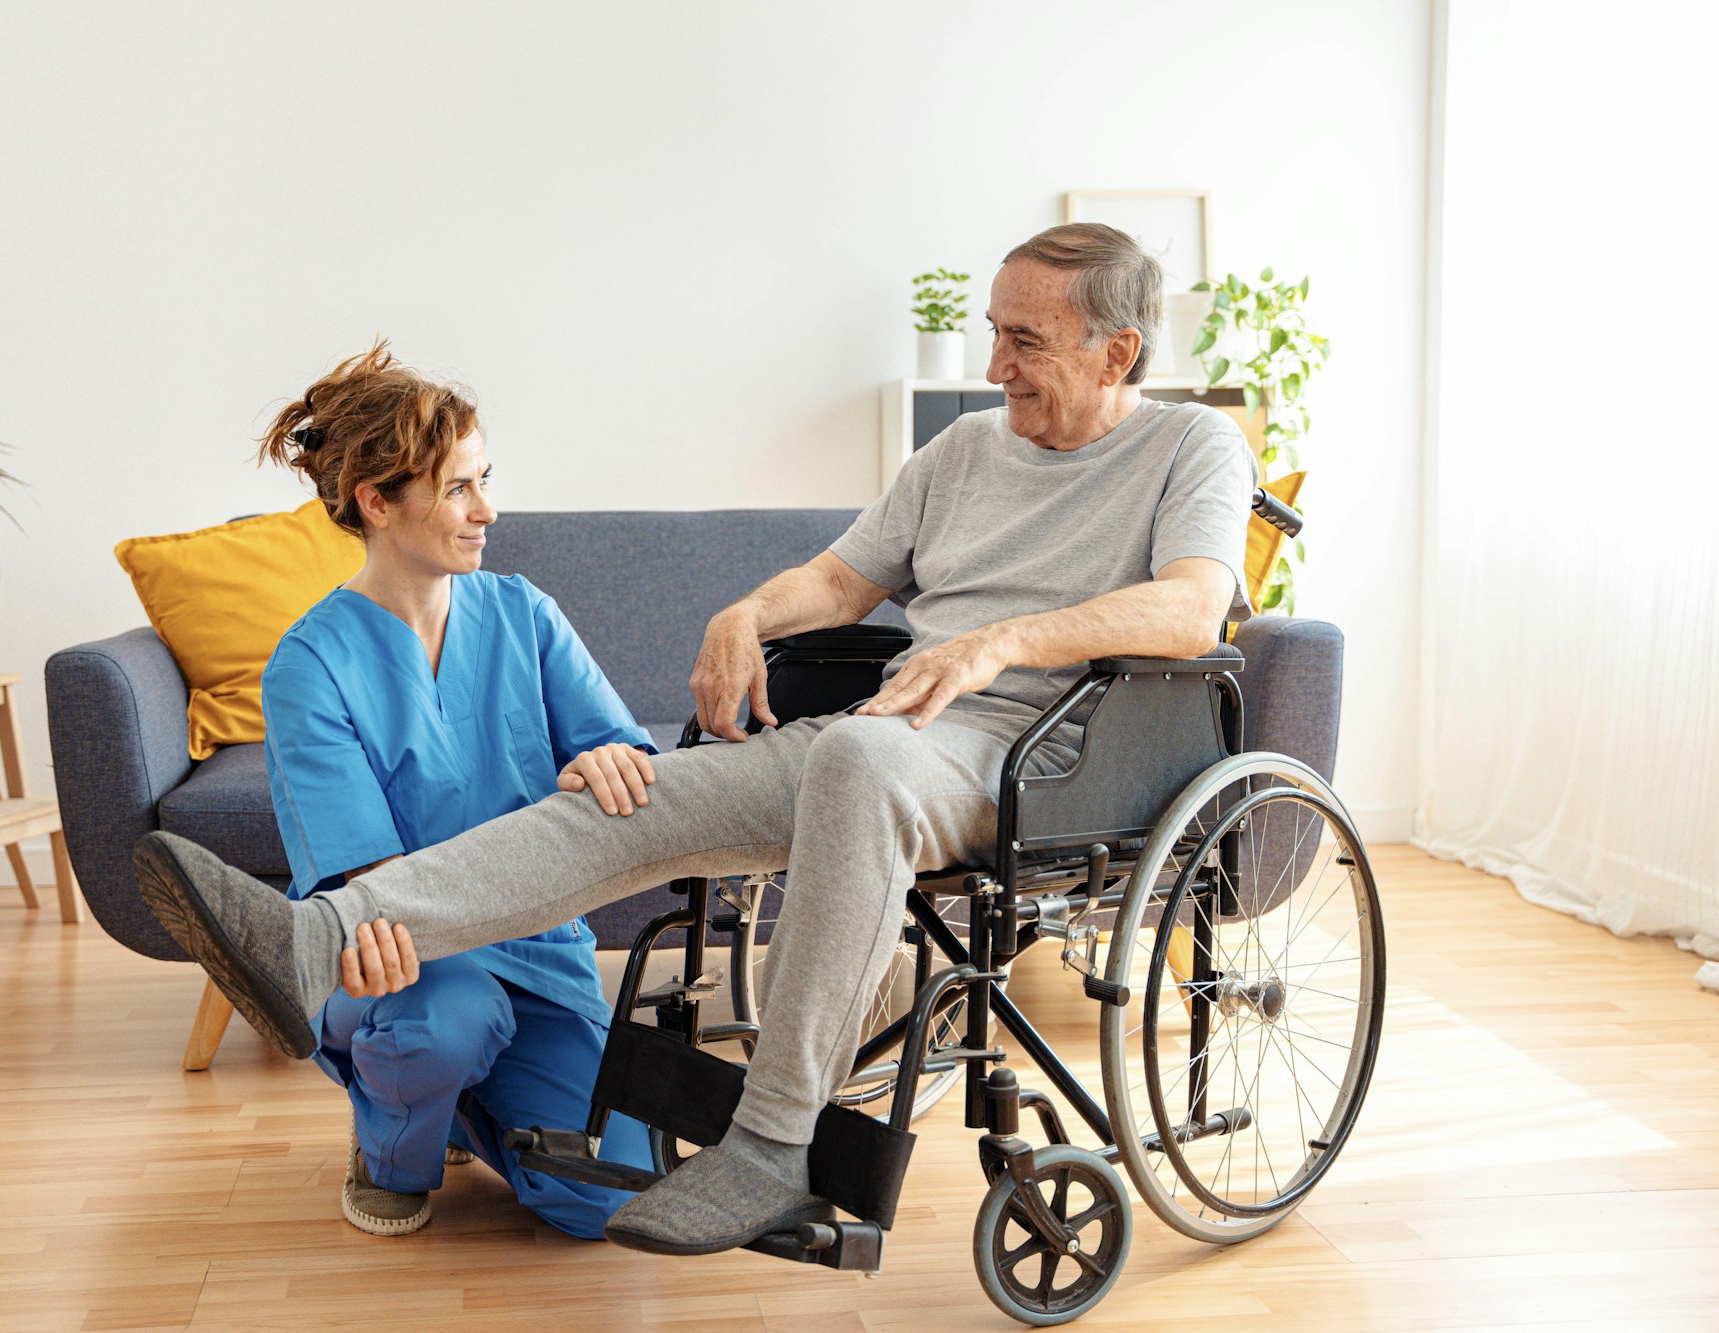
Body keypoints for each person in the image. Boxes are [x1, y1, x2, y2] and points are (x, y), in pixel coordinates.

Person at [135, 222, 1256, 1257]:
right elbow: (838, 577)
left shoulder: (1189, 447)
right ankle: (314, 937)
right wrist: (747, 614)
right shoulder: (961, 452)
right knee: (644, 792)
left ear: (1116, 353)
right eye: (992, 332)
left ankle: (770, 1142)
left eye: (1025, 339)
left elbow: (1190, 609)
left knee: (849, 761)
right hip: (884, 735)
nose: (995, 361)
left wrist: (1001, 642)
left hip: (1039, 753)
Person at [250, 342, 655, 1240]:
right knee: (447, 1018)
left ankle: (470, 1105)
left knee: (613, 1196)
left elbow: (621, 751)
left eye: (485, 480)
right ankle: (396, 1150)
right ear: (377, 502)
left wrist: (605, 765)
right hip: (399, 959)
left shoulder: (524, 612)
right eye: (461, 487)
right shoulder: (310, 665)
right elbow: (377, 884)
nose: (489, 509)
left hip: (542, 950)